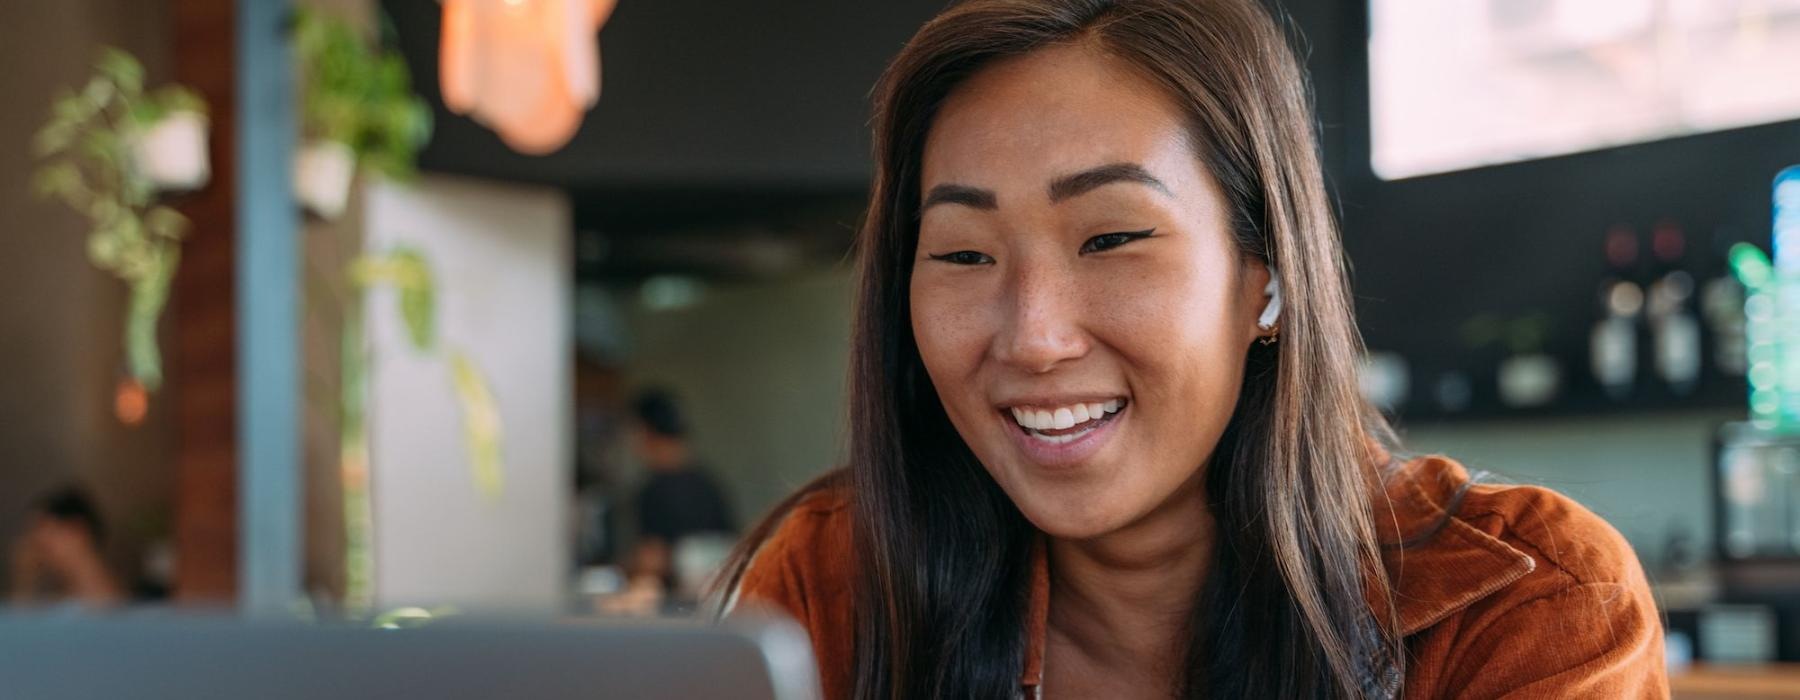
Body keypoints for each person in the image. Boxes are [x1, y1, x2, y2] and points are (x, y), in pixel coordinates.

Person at [717, 1, 1666, 698]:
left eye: (1112, 239)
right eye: (964, 254)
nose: (1035, 337)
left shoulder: (1528, 602)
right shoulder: (835, 584)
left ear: (1268, 276)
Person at [620, 388, 734, 605]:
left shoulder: (654, 490)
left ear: (644, 431)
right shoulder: (710, 484)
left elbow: (652, 560)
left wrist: (621, 569)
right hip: (716, 608)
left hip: (675, 609)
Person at [8, 486, 125, 610]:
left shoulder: (119, 605)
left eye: (47, 531)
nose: (36, 548)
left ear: (78, 531)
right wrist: (24, 581)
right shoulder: (55, 604)